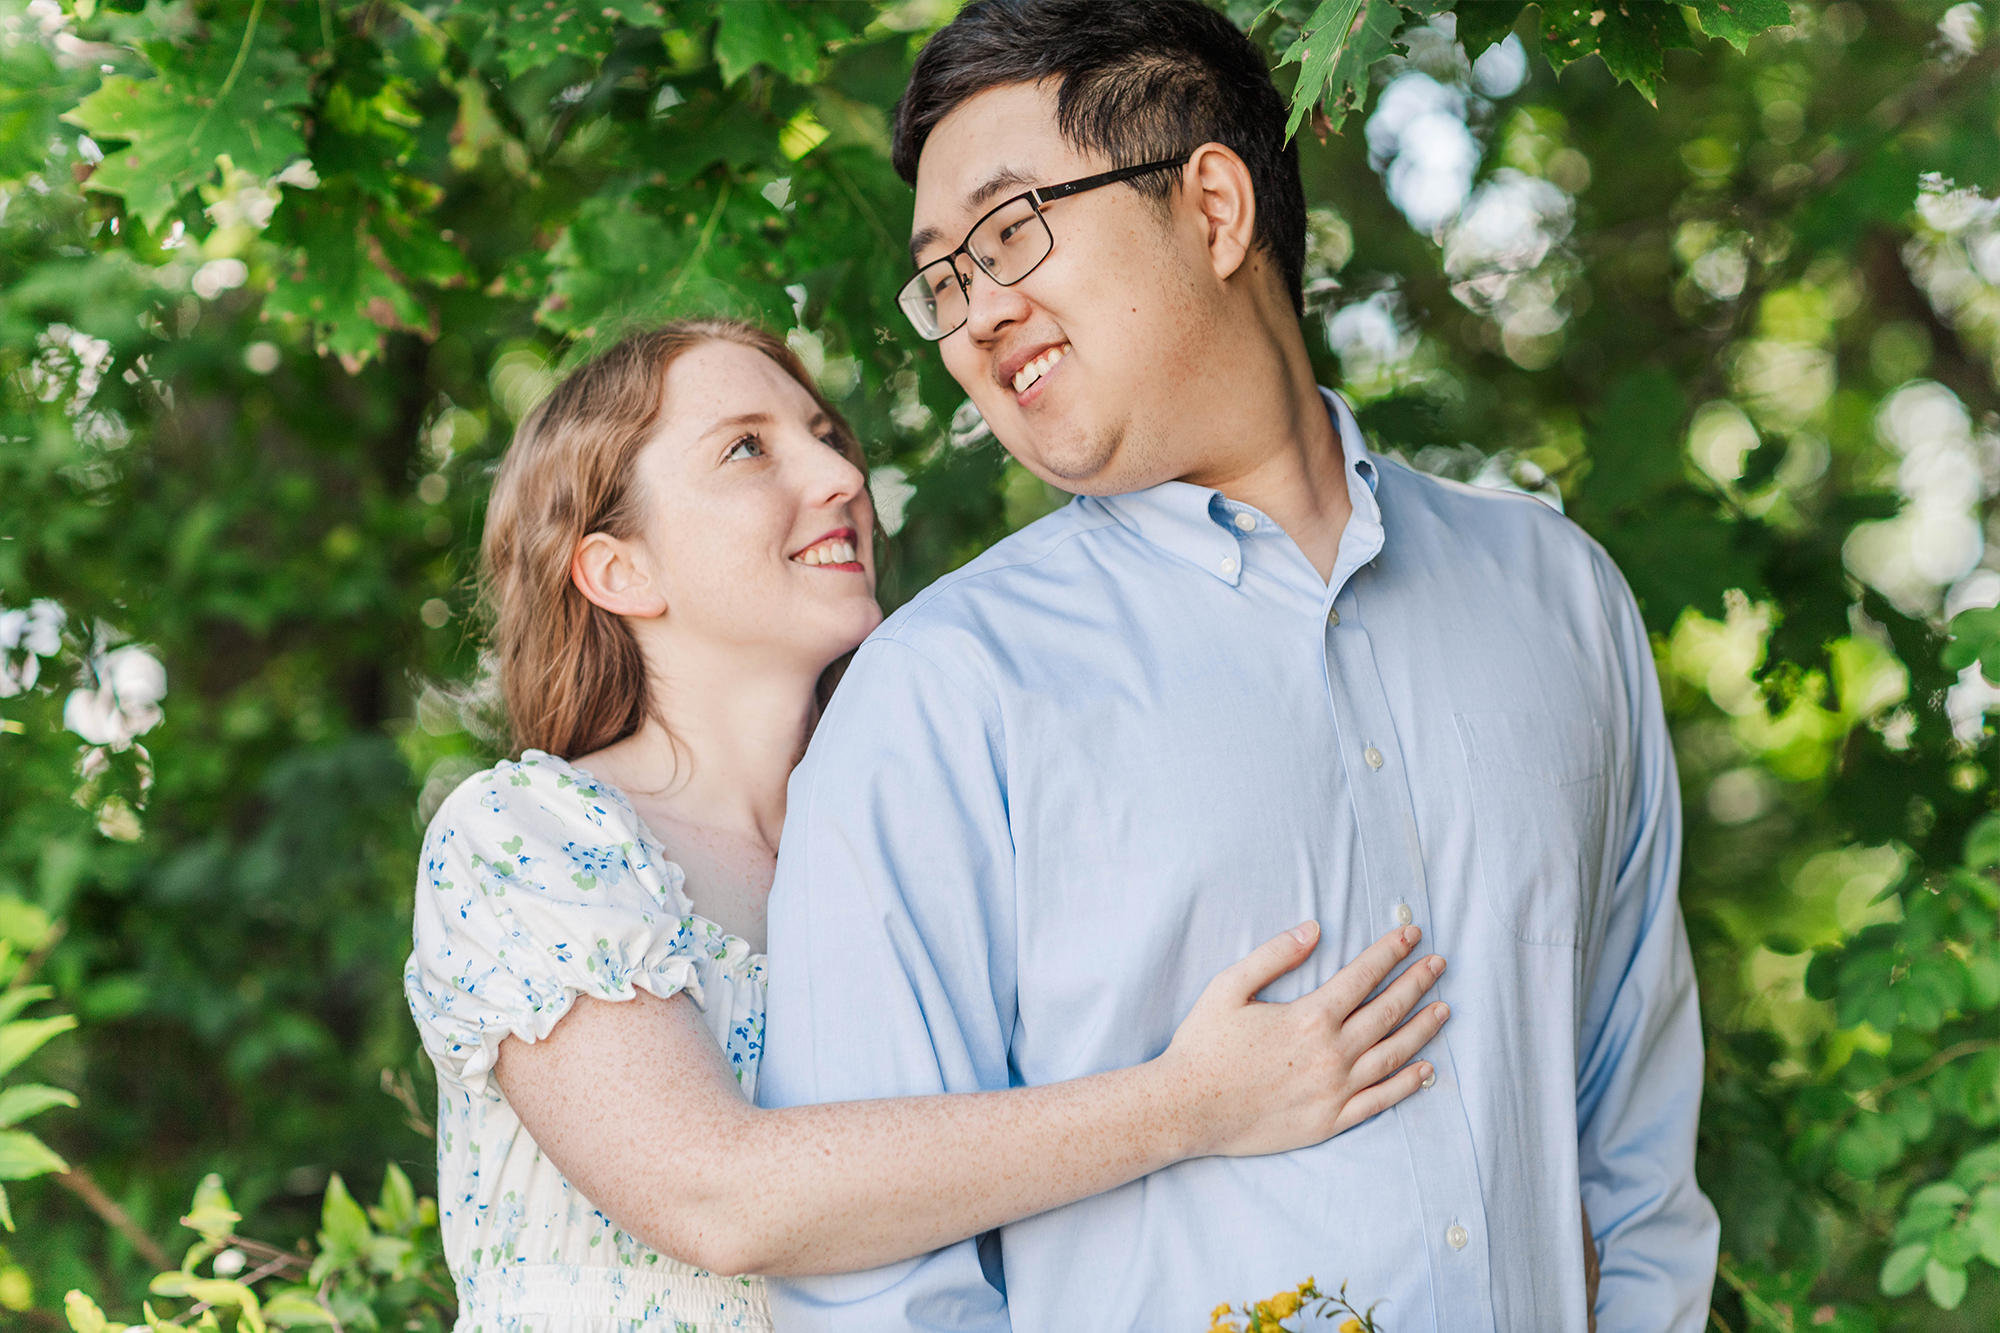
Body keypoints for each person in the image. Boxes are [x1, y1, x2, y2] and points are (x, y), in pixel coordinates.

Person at [756, 3, 1718, 1332]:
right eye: (945, 277)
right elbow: (867, 1280)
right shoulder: (937, 699)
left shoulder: (1558, 599)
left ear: (1212, 207)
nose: (977, 313)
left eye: (1010, 232)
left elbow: (1636, 1144)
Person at [402, 319, 1452, 1333]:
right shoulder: (524, 835)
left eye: (825, 437)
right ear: (615, 569)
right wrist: (1190, 1105)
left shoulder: (934, 819)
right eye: (745, 450)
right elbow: (711, 1195)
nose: (838, 480)